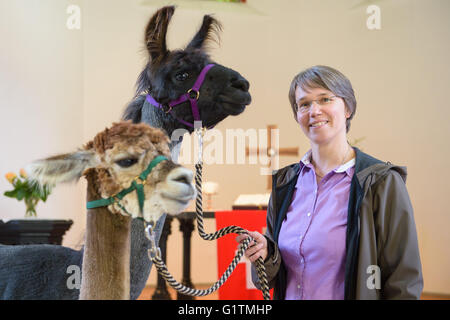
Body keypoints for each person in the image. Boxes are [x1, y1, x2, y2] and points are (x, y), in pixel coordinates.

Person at [236, 65, 423, 300]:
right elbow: (272, 277)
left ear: (347, 108)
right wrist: (265, 254)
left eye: (325, 99)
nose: (314, 110)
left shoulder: (381, 183)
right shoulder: (285, 184)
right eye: (304, 104)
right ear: (297, 115)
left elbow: (403, 280)